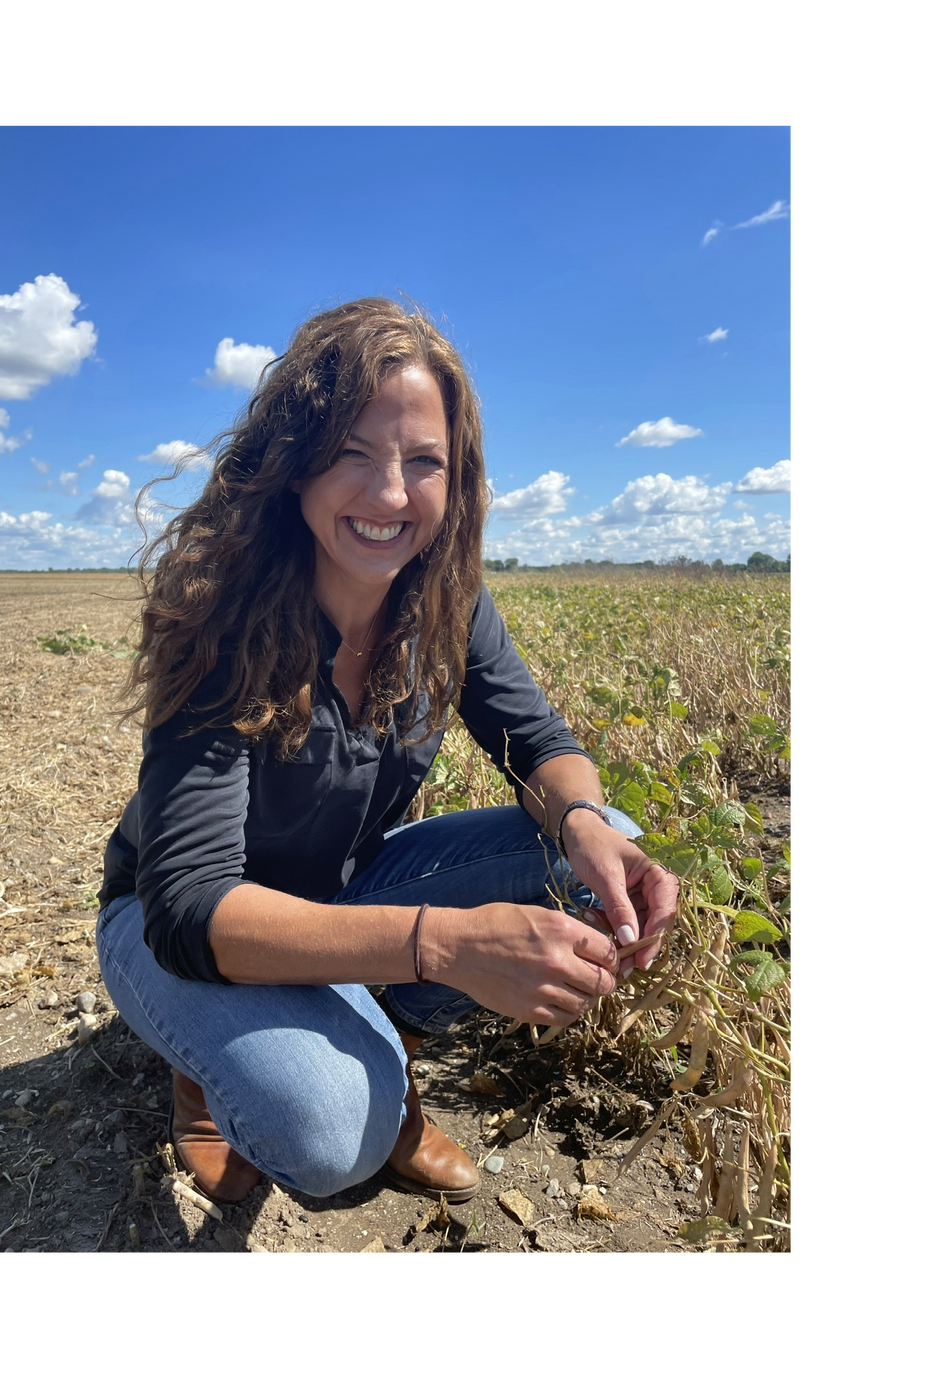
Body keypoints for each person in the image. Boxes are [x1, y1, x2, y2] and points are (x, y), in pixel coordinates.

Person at [97, 298, 678, 1206]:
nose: (391, 495)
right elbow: (190, 905)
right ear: (295, 466)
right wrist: (442, 942)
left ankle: (378, 1039)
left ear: (458, 479)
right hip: (167, 926)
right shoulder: (218, 616)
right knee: (330, 1132)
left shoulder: (446, 601)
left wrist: (578, 818)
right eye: (353, 454)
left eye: (424, 462)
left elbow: (539, 741)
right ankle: (201, 1077)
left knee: (603, 840)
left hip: (335, 892)